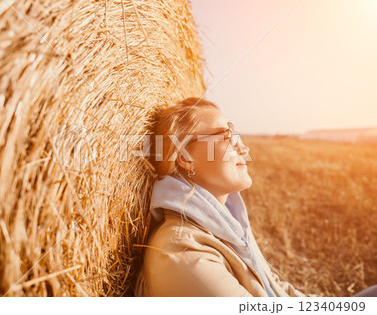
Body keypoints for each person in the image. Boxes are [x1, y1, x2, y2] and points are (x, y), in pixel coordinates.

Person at [134, 97, 376, 297]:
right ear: (185, 157)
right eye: (226, 136)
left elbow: (277, 290)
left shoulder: (228, 222)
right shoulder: (181, 254)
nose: (243, 148)